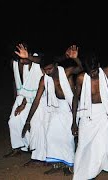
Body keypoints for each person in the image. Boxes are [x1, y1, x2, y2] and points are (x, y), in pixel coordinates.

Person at [21, 46, 83, 175]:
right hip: (56, 109)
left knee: (67, 138)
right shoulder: (44, 80)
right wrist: (27, 121)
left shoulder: (66, 73)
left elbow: (81, 69)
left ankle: (69, 165)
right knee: (51, 135)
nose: (48, 72)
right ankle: (56, 164)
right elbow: (37, 100)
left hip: (70, 107)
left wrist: (76, 58)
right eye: (46, 70)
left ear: (55, 65)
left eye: (50, 68)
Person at [71, 52, 108, 180]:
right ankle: (79, 172)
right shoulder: (81, 78)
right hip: (87, 114)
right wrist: (74, 121)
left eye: (94, 71)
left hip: (103, 114)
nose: (92, 75)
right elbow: (75, 99)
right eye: (89, 72)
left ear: (98, 66)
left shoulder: (106, 72)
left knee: (101, 145)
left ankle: (92, 173)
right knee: (83, 145)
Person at [4, 42, 43, 158]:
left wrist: (28, 57)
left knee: (33, 125)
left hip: (36, 98)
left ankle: (35, 150)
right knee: (13, 122)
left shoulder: (34, 61)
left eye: (24, 50)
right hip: (21, 97)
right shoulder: (14, 63)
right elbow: (14, 82)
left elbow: (41, 60)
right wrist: (16, 100)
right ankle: (18, 147)